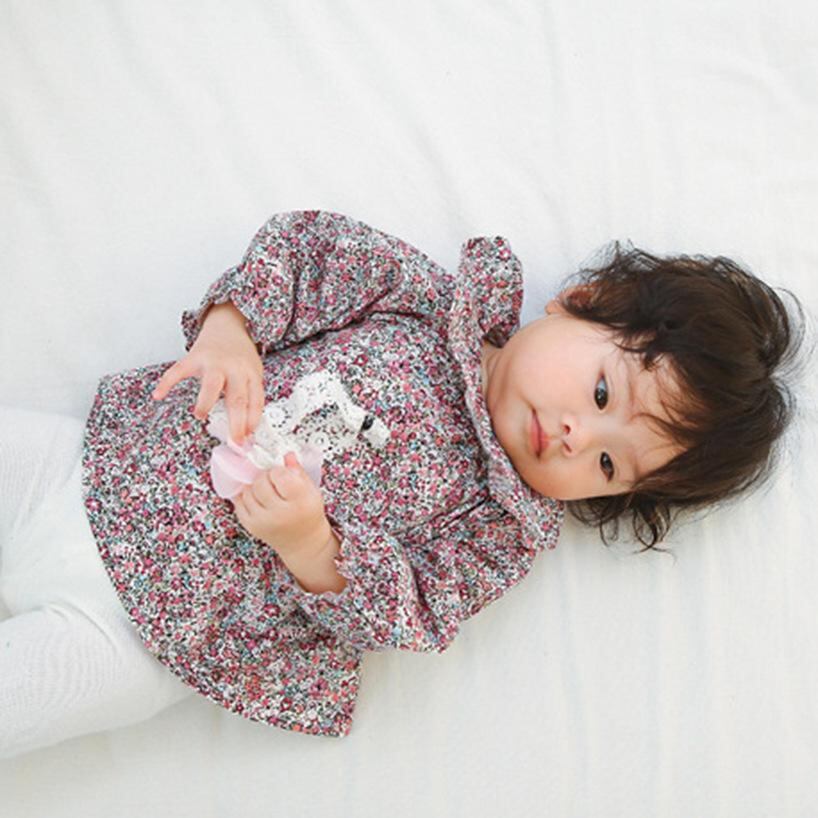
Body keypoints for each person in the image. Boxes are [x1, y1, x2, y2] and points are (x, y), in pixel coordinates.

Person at [0, 210, 808, 759]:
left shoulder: (500, 530)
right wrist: (230, 332)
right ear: (582, 303)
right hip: (95, 467)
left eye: (606, 465)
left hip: (155, 634)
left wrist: (311, 546)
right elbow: (302, 255)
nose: (576, 437)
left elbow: (411, 615)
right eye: (601, 395)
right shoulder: (421, 302)